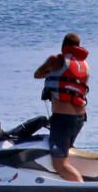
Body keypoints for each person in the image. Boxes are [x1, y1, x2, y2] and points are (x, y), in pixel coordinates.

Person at [33, 33, 90, 183]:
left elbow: (37, 74)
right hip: (79, 119)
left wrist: (50, 73)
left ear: (64, 46)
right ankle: (67, 181)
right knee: (65, 154)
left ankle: (81, 190)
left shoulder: (56, 59)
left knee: (60, 163)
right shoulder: (85, 66)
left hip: (63, 119)